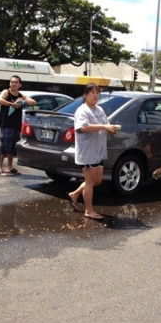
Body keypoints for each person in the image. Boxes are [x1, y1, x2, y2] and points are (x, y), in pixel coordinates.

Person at [67, 83, 118, 220]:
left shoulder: (99, 110)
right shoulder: (82, 110)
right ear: (85, 95)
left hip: (99, 150)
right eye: (92, 92)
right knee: (89, 181)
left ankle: (75, 194)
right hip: (88, 151)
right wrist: (103, 126)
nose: (96, 95)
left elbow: (105, 125)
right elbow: (83, 127)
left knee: (97, 180)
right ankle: (89, 210)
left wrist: (111, 129)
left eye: (97, 93)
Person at [0, 75, 36, 176]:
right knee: (3, 146)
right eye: (12, 82)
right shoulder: (6, 92)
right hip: (6, 124)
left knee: (12, 147)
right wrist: (12, 104)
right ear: (9, 83)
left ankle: (10, 167)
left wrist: (23, 100)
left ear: (20, 84)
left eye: (16, 82)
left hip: (16, 125)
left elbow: (33, 102)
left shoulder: (20, 95)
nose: (14, 84)